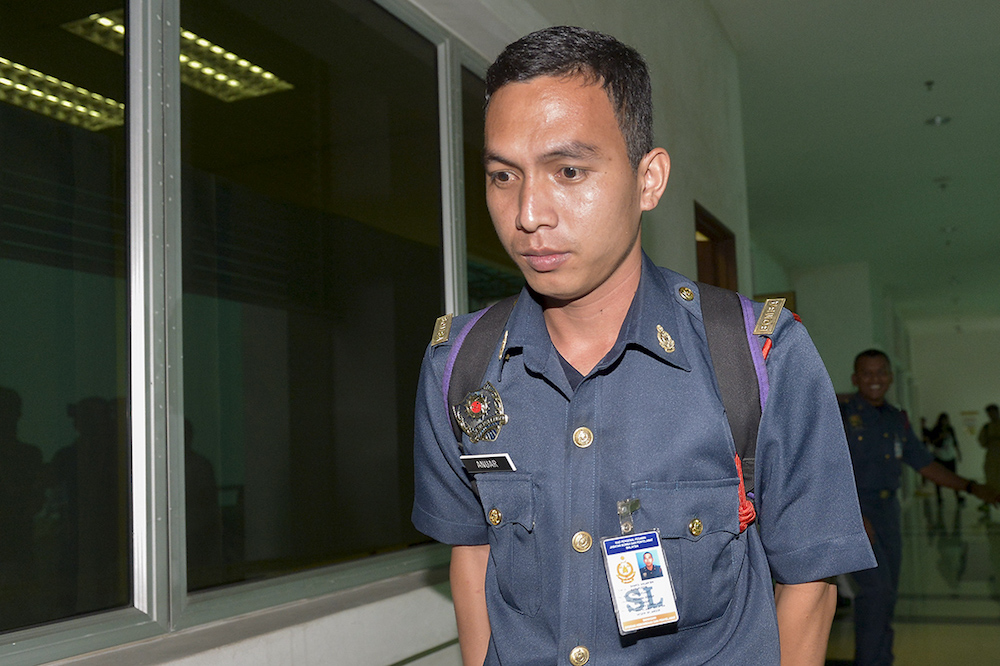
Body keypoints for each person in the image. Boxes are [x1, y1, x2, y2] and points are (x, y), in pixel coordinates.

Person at [413, 26, 875, 666]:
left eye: (569, 170)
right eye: (501, 175)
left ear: (649, 179)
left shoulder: (758, 358)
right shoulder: (459, 367)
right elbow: (473, 556)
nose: (528, 213)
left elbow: (809, 586)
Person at [841, 350, 999, 666]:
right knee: (875, 590)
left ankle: (881, 659)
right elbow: (828, 466)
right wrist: (853, 513)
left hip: (888, 513)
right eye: (867, 373)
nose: (875, 379)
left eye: (881, 372)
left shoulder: (896, 418)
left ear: (890, 377)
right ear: (855, 379)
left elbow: (924, 464)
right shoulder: (842, 414)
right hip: (856, 511)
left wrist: (971, 487)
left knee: (889, 594)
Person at [928, 412, 962, 504]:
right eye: (943, 420)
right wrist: (940, 437)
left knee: (954, 477)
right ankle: (939, 497)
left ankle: (957, 496)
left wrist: (959, 453)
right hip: (940, 456)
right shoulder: (935, 430)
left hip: (950, 456)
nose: (944, 422)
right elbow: (932, 442)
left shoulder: (950, 429)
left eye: (946, 420)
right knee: (938, 477)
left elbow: (955, 441)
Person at [979, 404, 1000, 514]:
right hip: (992, 458)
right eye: (989, 413)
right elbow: (982, 442)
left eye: (993, 412)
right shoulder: (987, 427)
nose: (991, 415)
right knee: (990, 480)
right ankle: (987, 502)